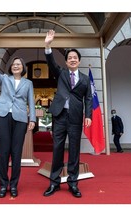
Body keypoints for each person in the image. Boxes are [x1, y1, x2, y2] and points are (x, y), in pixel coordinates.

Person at [0, 37, 36, 198]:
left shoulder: (28, 83)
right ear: (11, 68)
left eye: (18, 64)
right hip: (3, 116)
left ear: (23, 67)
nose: (16, 66)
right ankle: (3, 185)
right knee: (4, 152)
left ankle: (14, 185)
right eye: (13, 64)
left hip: (20, 118)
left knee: (16, 153)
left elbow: (31, 101)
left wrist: (32, 118)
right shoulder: (5, 79)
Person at [43, 30, 92, 198]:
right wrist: (48, 45)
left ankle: (73, 183)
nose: (72, 59)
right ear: (66, 61)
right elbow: (51, 63)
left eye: (75, 58)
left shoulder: (85, 79)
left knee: (74, 150)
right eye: (69, 57)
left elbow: (89, 98)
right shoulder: (62, 73)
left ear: (79, 61)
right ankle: (54, 183)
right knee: (57, 149)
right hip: (60, 116)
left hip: (76, 117)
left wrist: (88, 116)